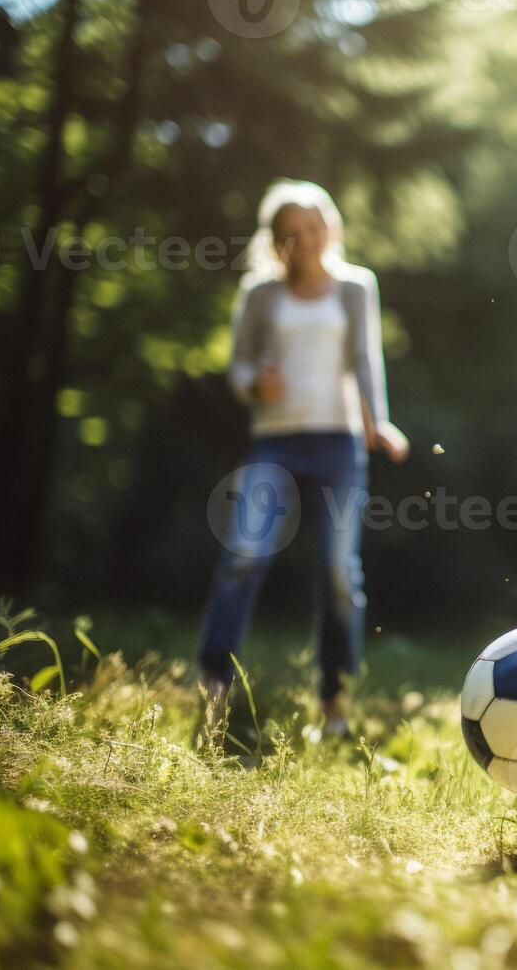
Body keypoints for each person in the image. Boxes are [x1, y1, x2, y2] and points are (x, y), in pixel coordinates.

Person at [198, 179, 409, 740]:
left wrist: (377, 422)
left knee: (340, 572)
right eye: (292, 234)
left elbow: (367, 360)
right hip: (276, 441)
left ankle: (334, 703)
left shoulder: (356, 286)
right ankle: (213, 687)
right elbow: (238, 367)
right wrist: (253, 384)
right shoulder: (260, 294)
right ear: (277, 242)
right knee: (243, 555)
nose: (306, 241)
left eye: (314, 228)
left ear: (330, 228)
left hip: (338, 443)